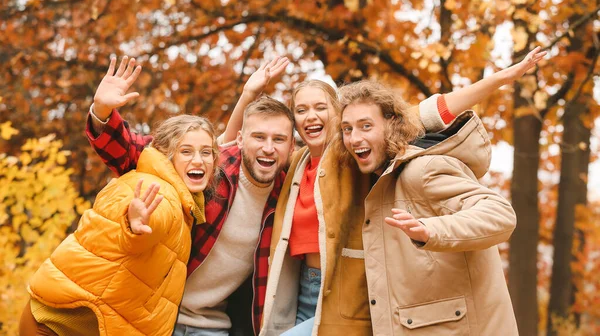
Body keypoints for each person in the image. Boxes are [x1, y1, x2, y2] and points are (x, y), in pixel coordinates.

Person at [246, 48, 546, 335]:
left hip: (343, 292)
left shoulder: (349, 153)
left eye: (320, 107)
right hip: (301, 287)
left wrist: (500, 79)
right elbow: (235, 148)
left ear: (337, 116)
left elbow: (431, 112)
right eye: (301, 110)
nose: (311, 116)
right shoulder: (295, 161)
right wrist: (248, 95)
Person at [85, 55, 295, 335]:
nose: (268, 148)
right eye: (259, 137)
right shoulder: (213, 168)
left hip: (211, 325)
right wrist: (102, 111)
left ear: (292, 146)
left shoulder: (288, 193)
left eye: (279, 140)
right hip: (154, 313)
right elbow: (136, 152)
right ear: (241, 139)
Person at [19, 57, 219, 336]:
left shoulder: (185, 201)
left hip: (78, 318)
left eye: (206, 152)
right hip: (57, 325)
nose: (198, 160)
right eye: (186, 151)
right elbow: (148, 222)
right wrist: (134, 224)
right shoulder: (161, 192)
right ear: (166, 155)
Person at [337, 79, 519, 335]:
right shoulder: (381, 182)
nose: (355, 138)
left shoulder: (421, 170)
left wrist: (430, 230)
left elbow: (499, 214)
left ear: (392, 125)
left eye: (366, 126)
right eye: (347, 129)